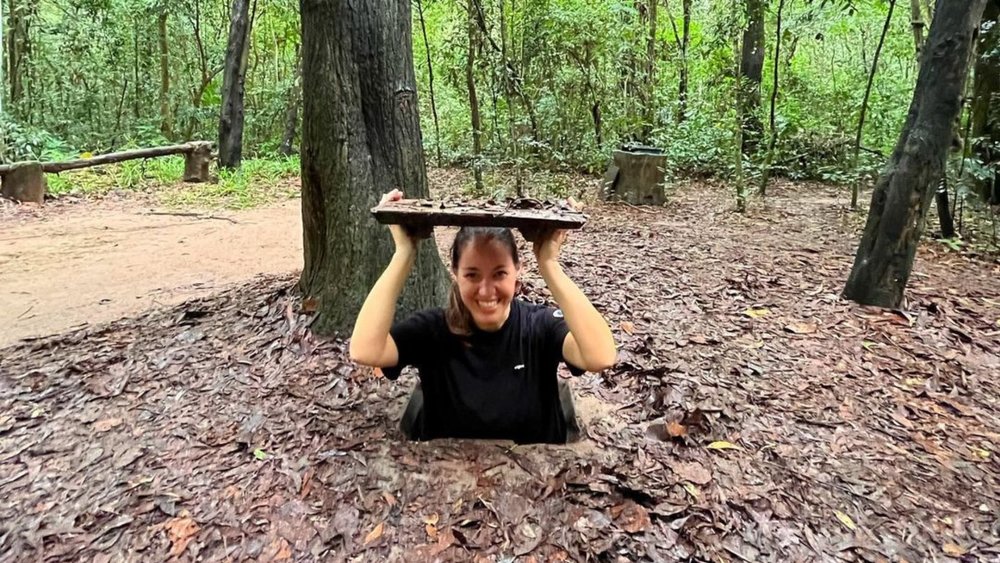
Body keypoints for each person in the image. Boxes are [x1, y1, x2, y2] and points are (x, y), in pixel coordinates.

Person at [349, 189, 616, 444]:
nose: (486, 291)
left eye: (500, 273)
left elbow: (600, 356)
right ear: (455, 272)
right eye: (472, 275)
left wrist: (549, 265)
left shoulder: (539, 326)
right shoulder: (432, 330)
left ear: (517, 271)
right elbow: (365, 351)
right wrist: (403, 255)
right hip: (449, 477)